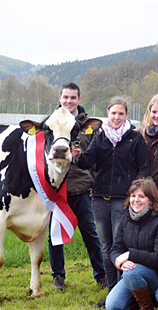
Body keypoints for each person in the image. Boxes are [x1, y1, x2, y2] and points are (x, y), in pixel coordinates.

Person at [72, 97, 149, 307]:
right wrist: (77, 156)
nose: (116, 117)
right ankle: (112, 291)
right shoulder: (100, 136)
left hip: (122, 201)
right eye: (113, 113)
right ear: (108, 113)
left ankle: (125, 291)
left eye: (121, 114)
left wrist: (137, 194)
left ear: (126, 115)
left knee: (119, 245)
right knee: (105, 246)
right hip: (99, 199)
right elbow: (88, 161)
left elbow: (144, 168)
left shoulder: (135, 138)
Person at [48, 82, 106, 291]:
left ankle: (101, 274)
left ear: (79, 99)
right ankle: (58, 276)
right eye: (65, 97)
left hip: (82, 188)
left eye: (73, 98)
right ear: (59, 98)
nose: (69, 101)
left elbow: (96, 157)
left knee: (90, 232)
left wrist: (93, 184)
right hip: (56, 191)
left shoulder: (87, 126)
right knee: (55, 234)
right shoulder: (51, 124)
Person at [105, 178, 158, 310]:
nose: (136, 200)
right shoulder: (125, 218)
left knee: (130, 272)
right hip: (131, 271)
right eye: (133, 196)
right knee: (112, 306)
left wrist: (130, 255)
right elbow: (115, 249)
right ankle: (148, 299)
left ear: (151, 200)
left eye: (141, 196)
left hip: (157, 275)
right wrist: (120, 263)